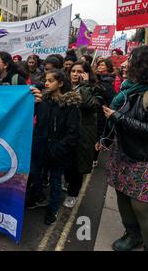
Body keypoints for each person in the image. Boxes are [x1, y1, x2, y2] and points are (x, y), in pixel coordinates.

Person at [96, 46, 148, 251]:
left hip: (147, 160)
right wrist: (105, 139)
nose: (124, 64)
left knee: (142, 207)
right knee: (122, 197)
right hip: (123, 153)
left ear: (145, 66)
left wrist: (117, 117)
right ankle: (133, 236)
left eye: (130, 60)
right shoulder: (129, 87)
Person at [26, 69, 81, 225]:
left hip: (57, 151)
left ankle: (53, 208)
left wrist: (58, 149)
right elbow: (30, 117)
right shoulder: (43, 100)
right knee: (35, 174)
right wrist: (32, 104)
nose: (46, 83)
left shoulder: (70, 105)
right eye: (46, 80)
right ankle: (40, 198)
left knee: (55, 180)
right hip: (40, 147)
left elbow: (73, 133)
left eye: (50, 81)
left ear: (61, 83)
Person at [63, 61, 100, 208]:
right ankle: (69, 182)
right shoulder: (64, 86)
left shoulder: (94, 89)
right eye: (73, 71)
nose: (75, 74)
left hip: (82, 134)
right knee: (66, 163)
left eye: (79, 72)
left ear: (86, 74)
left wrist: (84, 85)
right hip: (66, 132)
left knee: (77, 166)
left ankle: (73, 194)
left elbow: (88, 105)